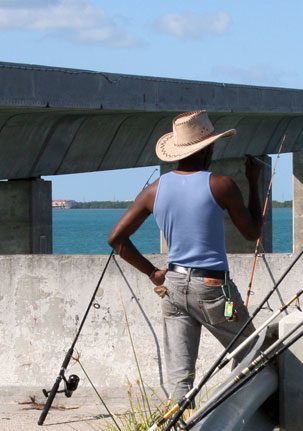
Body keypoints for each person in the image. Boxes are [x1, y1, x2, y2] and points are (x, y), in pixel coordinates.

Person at [107, 110, 263, 403]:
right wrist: (253, 182)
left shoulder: (154, 190)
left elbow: (116, 239)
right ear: (209, 147)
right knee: (252, 353)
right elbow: (252, 232)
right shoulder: (221, 184)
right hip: (212, 287)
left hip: (174, 286)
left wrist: (153, 272)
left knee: (181, 380)